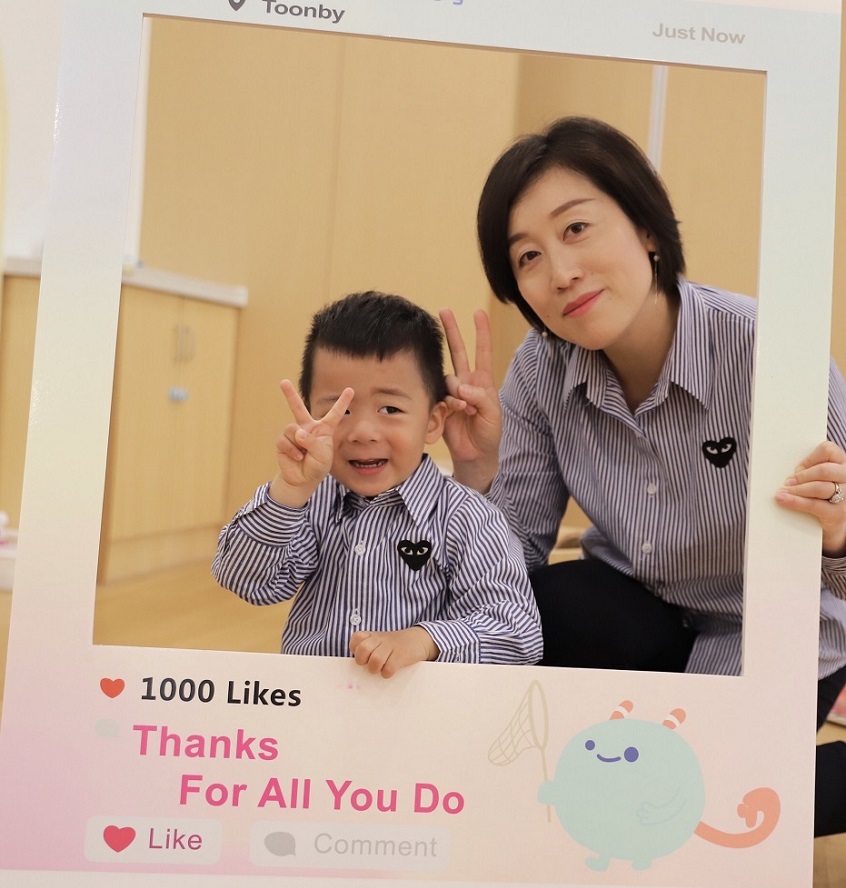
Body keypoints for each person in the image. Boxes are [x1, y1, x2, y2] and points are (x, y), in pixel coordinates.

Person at [438, 117, 846, 831]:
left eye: (576, 229)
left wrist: (840, 536)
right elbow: (507, 569)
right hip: (644, 613)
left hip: (775, 632)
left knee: (689, 813)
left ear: (648, 229)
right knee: (549, 607)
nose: (560, 273)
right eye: (528, 257)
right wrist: (476, 474)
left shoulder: (768, 351)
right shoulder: (541, 367)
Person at [212, 290, 542, 677]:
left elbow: (519, 633)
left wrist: (424, 640)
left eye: (390, 408)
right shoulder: (311, 502)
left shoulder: (468, 518)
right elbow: (246, 581)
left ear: (433, 421)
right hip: (314, 701)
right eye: (340, 410)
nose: (363, 432)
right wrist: (288, 492)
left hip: (418, 707)